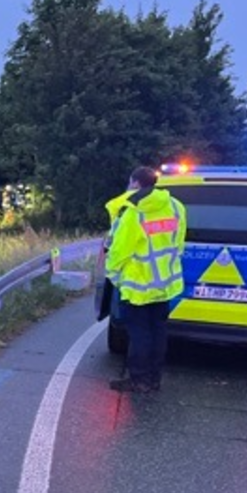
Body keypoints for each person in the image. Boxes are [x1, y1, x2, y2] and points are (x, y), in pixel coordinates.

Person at [105, 166, 187, 393]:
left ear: (136, 184)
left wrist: (114, 276)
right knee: (158, 331)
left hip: (138, 287)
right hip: (164, 285)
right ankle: (154, 378)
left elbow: (119, 252)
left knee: (139, 334)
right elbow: (178, 244)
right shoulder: (175, 207)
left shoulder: (134, 212)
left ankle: (139, 379)